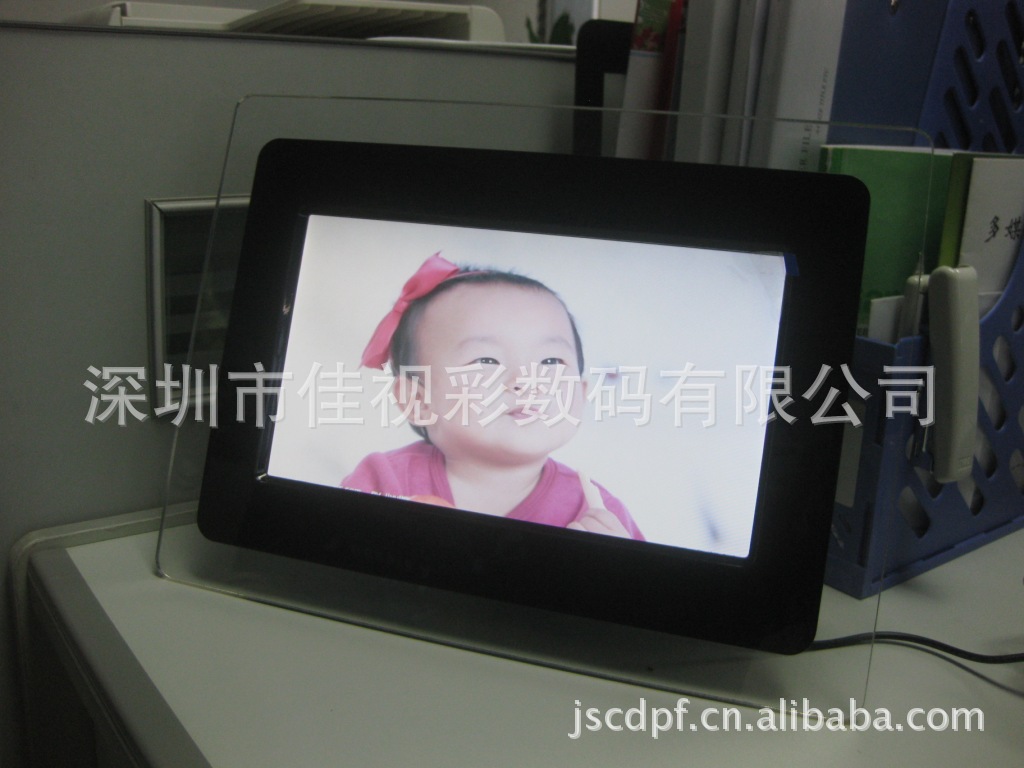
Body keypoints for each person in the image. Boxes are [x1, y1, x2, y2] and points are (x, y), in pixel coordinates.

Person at [342, 253, 643, 540]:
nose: (525, 381)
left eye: (551, 361)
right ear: (417, 401)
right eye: (487, 361)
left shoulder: (599, 514)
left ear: (581, 392)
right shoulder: (386, 481)